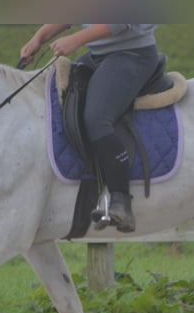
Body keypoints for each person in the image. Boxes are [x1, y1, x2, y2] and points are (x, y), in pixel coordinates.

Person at [21, 24, 160, 232]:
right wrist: (38, 38)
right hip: (97, 56)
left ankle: (121, 199)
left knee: (97, 119)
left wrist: (76, 39)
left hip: (132, 55)